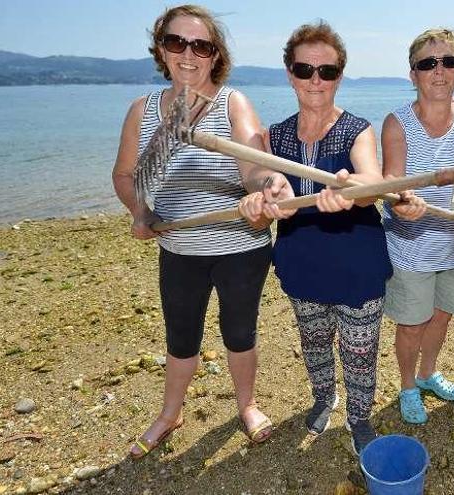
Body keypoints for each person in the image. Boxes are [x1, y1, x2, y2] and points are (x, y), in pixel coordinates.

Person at [111, 4, 294, 458]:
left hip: (239, 246)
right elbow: (124, 174)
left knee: (239, 331)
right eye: (177, 43)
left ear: (216, 55)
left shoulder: (234, 104)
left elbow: (254, 169)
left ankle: (247, 405)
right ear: (162, 50)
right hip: (179, 247)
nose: (188, 54)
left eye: (201, 46)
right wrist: (139, 210)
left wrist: (267, 189)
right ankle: (170, 413)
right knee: (181, 335)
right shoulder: (144, 110)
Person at [240, 21, 420, 455]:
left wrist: (352, 189)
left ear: (340, 75)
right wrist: (262, 201)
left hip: (357, 267)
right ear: (290, 74)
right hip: (302, 266)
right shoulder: (272, 137)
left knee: (360, 352)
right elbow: (262, 200)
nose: (315, 80)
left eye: (327, 71)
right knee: (314, 343)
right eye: (305, 70)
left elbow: (372, 180)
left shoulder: (358, 129)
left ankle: (359, 417)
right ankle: (324, 397)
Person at [380, 28, 454, 424]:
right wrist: (404, 206)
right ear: (413, 73)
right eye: (428, 64)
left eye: (448, 62)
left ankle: (429, 373)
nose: (439, 71)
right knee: (412, 322)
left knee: (442, 315)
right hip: (412, 247)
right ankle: (407, 386)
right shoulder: (397, 124)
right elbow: (392, 187)